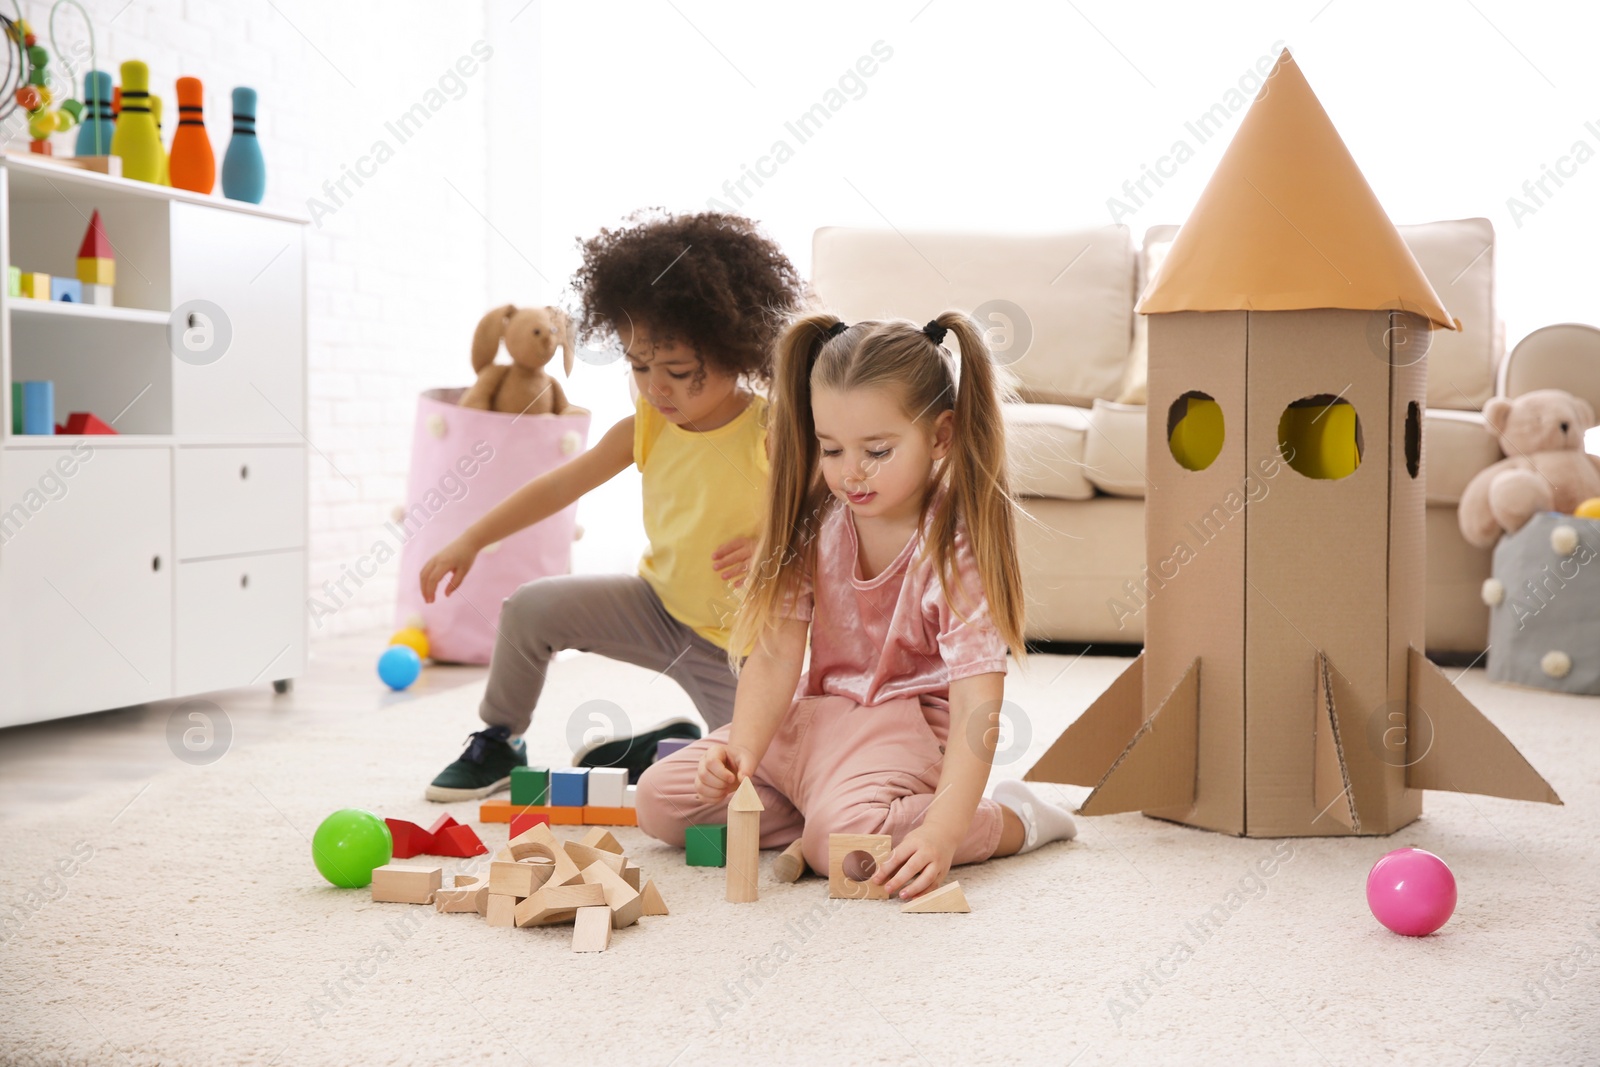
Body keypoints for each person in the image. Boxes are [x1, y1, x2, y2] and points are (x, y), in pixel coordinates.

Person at [636, 311, 1079, 901]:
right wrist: (740, 751)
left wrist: (945, 832)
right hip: (818, 720)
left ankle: (1015, 819)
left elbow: (978, 701)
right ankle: (821, 815)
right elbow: (775, 656)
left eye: (877, 450)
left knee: (844, 847)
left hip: (910, 732)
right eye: (831, 449)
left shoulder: (953, 547)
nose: (851, 473)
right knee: (662, 800)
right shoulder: (816, 523)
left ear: (940, 437)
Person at [418, 210, 804, 801]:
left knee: (755, 784)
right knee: (530, 608)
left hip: (741, 649)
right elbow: (556, 486)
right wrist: (471, 538)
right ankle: (498, 739)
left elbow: (834, 519)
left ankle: (658, 750)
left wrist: (775, 546)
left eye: (677, 372)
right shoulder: (646, 425)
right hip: (656, 607)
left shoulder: (772, 432)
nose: (655, 387)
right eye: (639, 366)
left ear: (737, 350)